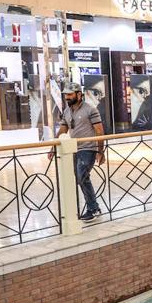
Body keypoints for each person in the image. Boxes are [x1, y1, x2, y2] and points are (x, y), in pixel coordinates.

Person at [48, 82, 104, 222]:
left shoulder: (91, 110)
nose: (67, 97)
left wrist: (100, 151)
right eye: (66, 95)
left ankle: (93, 208)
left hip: (88, 148)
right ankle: (91, 207)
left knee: (81, 176)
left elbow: (99, 131)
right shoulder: (67, 112)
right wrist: (53, 147)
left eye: (70, 94)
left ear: (79, 95)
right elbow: (62, 131)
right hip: (73, 149)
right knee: (80, 178)